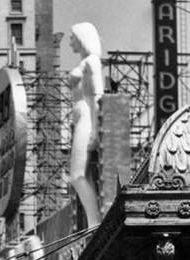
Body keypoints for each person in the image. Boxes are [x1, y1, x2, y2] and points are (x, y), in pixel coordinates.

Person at [68, 22, 104, 227]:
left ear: (82, 38)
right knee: (82, 175)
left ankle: (94, 222)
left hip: (87, 120)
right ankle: (93, 221)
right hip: (80, 120)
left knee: (77, 175)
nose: (69, 41)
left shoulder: (92, 62)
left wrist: (96, 132)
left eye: (72, 37)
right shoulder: (85, 62)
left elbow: (98, 95)